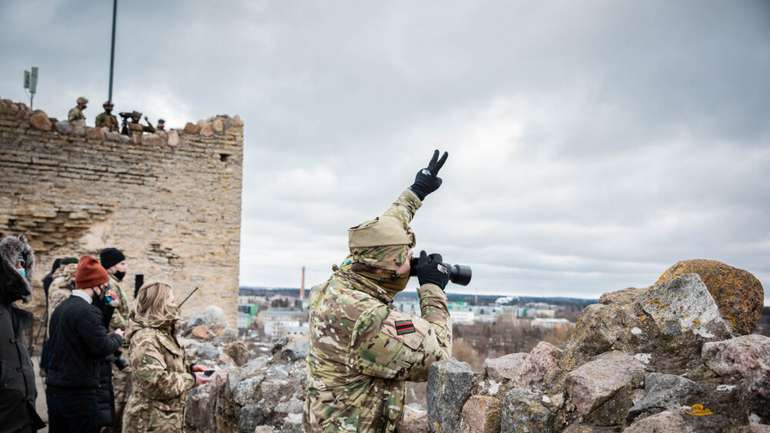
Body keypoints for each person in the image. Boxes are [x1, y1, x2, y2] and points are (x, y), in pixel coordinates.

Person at [304, 150, 453, 433]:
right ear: (388, 269)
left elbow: (385, 228)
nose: (412, 261)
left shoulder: (348, 275)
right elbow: (440, 354)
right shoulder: (366, 319)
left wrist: (417, 191)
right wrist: (432, 289)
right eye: (407, 256)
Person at [45, 256, 124, 433]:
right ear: (95, 285)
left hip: (58, 387)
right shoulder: (86, 311)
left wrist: (108, 309)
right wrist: (118, 336)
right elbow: (101, 346)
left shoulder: (63, 308)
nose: (106, 288)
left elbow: (84, 338)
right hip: (78, 392)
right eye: (104, 285)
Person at [123, 282, 210, 433]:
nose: (175, 304)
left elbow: (163, 363)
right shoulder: (146, 339)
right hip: (148, 424)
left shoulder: (161, 333)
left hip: (164, 422)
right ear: (159, 304)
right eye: (171, 300)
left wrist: (189, 368)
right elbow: (156, 384)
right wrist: (192, 379)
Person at [0, 234, 46, 433]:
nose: (22, 270)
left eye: (24, 265)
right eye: (18, 264)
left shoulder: (11, 312)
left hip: (21, 414)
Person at [99, 247, 132, 433]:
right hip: (115, 343)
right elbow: (112, 315)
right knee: (117, 392)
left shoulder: (113, 282)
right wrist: (129, 328)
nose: (125, 267)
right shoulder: (109, 284)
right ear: (111, 266)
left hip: (117, 340)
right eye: (122, 263)